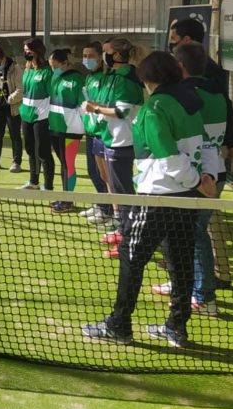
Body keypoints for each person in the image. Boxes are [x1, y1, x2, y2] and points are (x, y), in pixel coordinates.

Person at [82, 51, 218, 349]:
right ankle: (176, 328)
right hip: (186, 198)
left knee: (131, 257)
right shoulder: (191, 100)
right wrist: (207, 180)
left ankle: (119, 324)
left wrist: (198, 181)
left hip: (156, 197)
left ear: (146, 78)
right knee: (180, 261)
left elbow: (168, 158)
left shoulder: (154, 108)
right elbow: (207, 145)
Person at [152, 41, 233, 317]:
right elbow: (232, 141)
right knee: (184, 235)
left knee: (194, 235)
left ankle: (203, 296)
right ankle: (185, 285)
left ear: (179, 67)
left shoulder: (181, 96)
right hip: (215, 174)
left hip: (194, 180)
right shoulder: (221, 95)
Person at [82, 38, 143, 257]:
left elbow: (121, 111)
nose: (103, 56)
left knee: (124, 193)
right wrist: (95, 107)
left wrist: (95, 109)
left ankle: (129, 241)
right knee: (116, 189)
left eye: (106, 52)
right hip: (111, 139)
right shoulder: (114, 76)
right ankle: (122, 231)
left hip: (123, 142)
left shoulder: (127, 78)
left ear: (116, 55)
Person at [79, 41, 113, 226]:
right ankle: (101, 204)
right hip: (91, 130)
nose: (87, 59)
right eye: (84, 56)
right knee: (93, 172)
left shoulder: (106, 77)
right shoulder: (90, 77)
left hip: (102, 132)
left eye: (90, 56)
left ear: (101, 57)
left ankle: (107, 210)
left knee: (104, 174)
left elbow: (101, 104)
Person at [47, 48, 84, 213]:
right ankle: (64, 197)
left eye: (55, 65)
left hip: (71, 129)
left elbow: (84, 106)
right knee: (63, 164)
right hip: (55, 127)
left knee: (68, 164)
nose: (53, 69)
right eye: (51, 66)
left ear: (65, 63)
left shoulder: (78, 79)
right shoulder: (55, 77)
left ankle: (68, 201)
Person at [17, 38, 54, 191]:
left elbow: (53, 94)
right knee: (30, 149)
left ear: (38, 51)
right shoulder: (27, 70)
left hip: (42, 117)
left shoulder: (47, 71)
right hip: (26, 115)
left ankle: (48, 186)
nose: (26, 53)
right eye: (25, 51)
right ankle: (34, 182)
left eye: (29, 51)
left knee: (44, 152)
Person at [169, 18, 226, 91]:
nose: (171, 43)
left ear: (186, 40)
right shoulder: (211, 67)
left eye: (173, 39)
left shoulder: (209, 70)